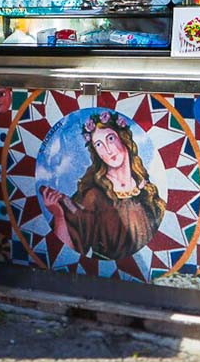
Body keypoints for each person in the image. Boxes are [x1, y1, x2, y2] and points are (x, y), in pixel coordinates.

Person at [39, 111, 165, 261]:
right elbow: (67, 251)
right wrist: (59, 216)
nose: (107, 149)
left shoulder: (145, 188)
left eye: (110, 138)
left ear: (124, 139)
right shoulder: (93, 196)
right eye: (99, 145)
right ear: (96, 153)